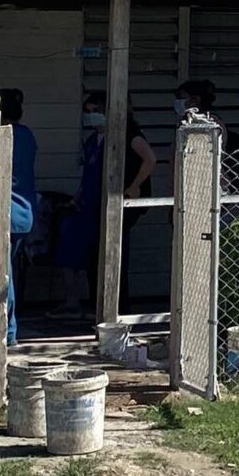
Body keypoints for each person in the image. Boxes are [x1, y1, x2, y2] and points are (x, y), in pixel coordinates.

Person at [58, 93, 155, 315]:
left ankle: (118, 308)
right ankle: (98, 306)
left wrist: (135, 185)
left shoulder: (128, 135)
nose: (92, 116)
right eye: (89, 112)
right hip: (93, 205)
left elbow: (150, 159)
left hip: (118, 203)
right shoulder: (93, 141)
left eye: (97, 111)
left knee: (114, 255)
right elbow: (89, 174)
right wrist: (77, 198)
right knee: (94, 256)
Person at [0, 89, 38, 343]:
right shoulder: (27, 135)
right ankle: (8, 328)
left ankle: (8, 331)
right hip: (24, 212)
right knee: (9, 270)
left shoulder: (2, 136)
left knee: (4, 275)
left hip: (7, 212)